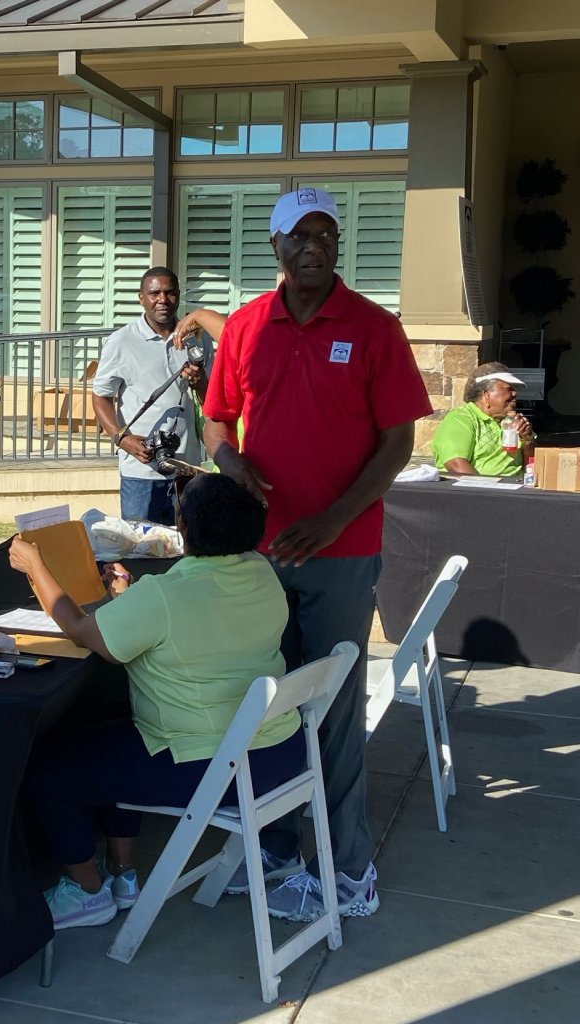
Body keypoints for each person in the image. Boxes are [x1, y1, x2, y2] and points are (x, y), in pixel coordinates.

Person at [174, 186, 433, 923]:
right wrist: (230, 465)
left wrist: (333, 518)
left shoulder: (375, 329)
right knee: (267, 704)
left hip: (342, 550)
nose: (314, 245)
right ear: (276, 247)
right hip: (261, 555)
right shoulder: (250, 325)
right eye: (300, 234)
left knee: (333, 708)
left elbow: (397, 441)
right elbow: (218, 419)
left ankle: (347, 869)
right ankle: (283, 845)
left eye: (326, 234)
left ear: (337, 246)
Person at [9, 474, 305, 929]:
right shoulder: (263, 573)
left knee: (49, 767)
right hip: (280, 753)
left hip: (211, 766)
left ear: (183, 526)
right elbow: (199, 623)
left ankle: (86, 891)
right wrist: (129, 602)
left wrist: (37, 568)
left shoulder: (165, 595)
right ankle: (123, 874)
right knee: (115, 737)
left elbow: (82, 631)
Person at [91, 268, 211, 526]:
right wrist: (121, 437)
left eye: (170, 293)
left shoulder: (199, 339)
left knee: (187, 554)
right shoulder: (121, 341)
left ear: (178, 296)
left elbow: (211, 397)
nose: (163, 300)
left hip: (188, 469)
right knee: (141, 551)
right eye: (154, 293)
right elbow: (101, 396)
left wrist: (200, 383)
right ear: (141, 298)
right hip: (142, 471)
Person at [432, 362, 533, 476]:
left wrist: (527, 439)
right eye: (509, 389)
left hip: (516, 488)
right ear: (487, 394)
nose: (515, 394)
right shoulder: (461, 419)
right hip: (479, 489)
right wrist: (486, 488)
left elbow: (532, 465)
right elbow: (456, 465)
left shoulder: (516, 421)